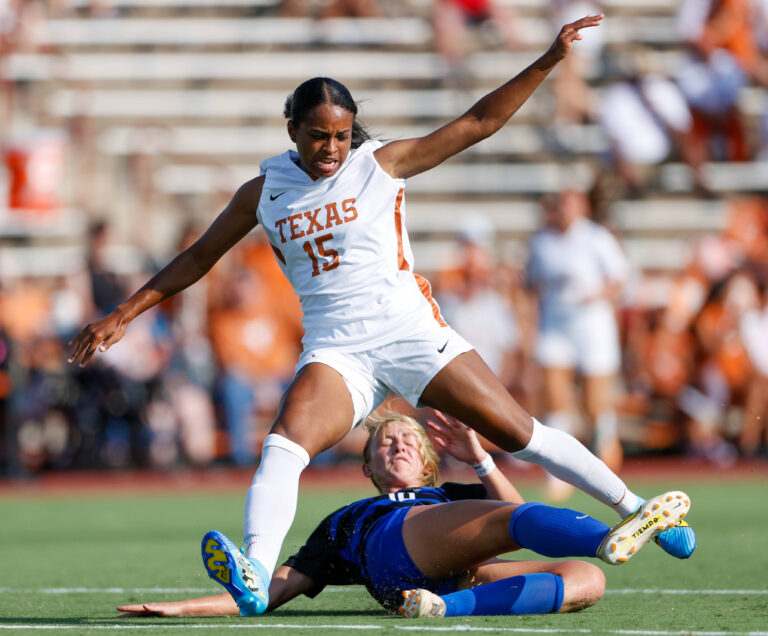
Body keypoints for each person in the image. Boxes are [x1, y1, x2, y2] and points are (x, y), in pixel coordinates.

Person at [68, 13, 695, 617]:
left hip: (410, 332)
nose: (332, 147)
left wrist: (550, 60)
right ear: (292, 131)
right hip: (337, 349)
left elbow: (478, 121)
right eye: (319, 135)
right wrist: (125, 311)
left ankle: (636, 508)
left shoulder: (380, 164)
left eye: (341, 134)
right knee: (284, 445)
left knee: (519, 433)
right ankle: (256, 575)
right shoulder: (264, 191)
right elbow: (201, 255)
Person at [117, 412, 690, 618]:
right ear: (367, 466)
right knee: (511, 523)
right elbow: (270, 588)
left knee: (587, 581)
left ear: (430, 460)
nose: (396, 445)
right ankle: (613, 533)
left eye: (408, 440)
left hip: (445, 580)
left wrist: (484, 459)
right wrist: (187, 607)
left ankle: (446, 611)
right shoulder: (350, 516)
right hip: (394, 550)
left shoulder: (451, 496)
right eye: (384, 443)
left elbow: (522, 519)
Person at [525, 189, 629, 500]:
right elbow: (530, 282)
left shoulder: (596, 238)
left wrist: (596, 296)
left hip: (592, 326)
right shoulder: (542, 241)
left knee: (595, 404)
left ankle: (606, 447)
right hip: (556, 325)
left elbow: (619, 277)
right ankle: (558, 472)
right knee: (555, 398)